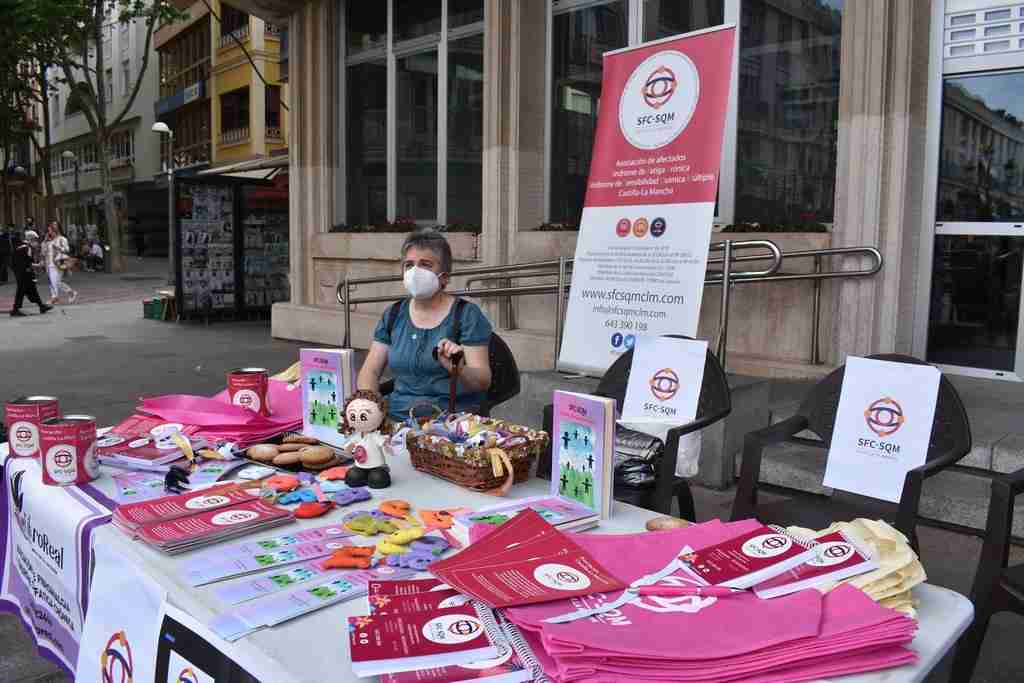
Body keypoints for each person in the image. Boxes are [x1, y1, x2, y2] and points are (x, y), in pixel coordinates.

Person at [357, 228, 493, 421]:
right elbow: (369, 371)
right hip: (397, 419)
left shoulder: (466, 315)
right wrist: (370, 407)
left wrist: (458, 367)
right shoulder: (394, 314)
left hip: (450, 423)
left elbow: (482, 381)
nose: (415, 272)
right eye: (409, 265)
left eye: (425, 265)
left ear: (444, 277)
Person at [10, 231, 51, 317]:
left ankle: (41, 306)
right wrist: (38, 265)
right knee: (21, 291)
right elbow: (25, 263)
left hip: (24, 272)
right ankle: (15, 310)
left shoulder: (24, 247)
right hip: (23, 273)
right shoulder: (25, 247)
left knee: (32, 289)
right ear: (30, 239)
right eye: (35, 240)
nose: (37, 243)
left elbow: (26, 262)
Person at [42, 220, 78, 304]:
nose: (49, 232)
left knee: (55, 281)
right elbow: (44, 253)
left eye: (50, 230)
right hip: (49, 263)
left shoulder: (62, 239)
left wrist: (57, 247)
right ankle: (71, 293)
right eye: (49, 230)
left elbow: (67, 249)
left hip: (59, 262)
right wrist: (44, 242)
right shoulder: (48, 241)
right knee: (54, 281)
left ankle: (55, 297)